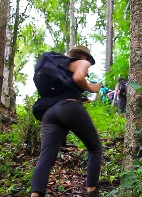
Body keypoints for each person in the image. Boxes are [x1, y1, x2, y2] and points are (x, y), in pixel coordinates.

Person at [30, 45, 103, 197]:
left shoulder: (59, 68)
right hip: (68, 108)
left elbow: (65, 88)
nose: (88, 69)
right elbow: (79, 77)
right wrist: (92, 88)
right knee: (95, 148)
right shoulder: (82, 62)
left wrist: (81, 97)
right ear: (86, 58)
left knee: (46, 157)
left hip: (49, 113)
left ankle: (35, 194)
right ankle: (92, 192)